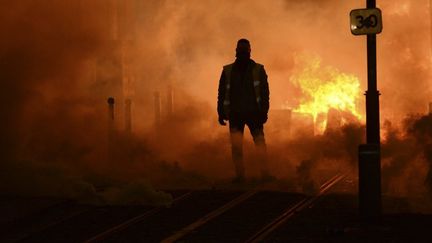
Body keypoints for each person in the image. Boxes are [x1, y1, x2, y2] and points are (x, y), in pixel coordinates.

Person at [217, 38, 271, 182]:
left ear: (248, 52)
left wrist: (264, 111)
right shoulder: (227, 71)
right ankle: (240, 175)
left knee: (259, 143)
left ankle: (264, 174)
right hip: (236, 114)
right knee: (237, 146)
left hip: (254, 113)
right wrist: (220, 112)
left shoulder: (258, 70)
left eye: (244, 51)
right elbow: (221, 93)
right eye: (240, 51)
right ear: (236, 52)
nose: (242, 54)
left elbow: (265, 93)